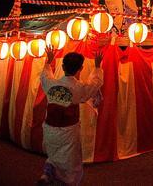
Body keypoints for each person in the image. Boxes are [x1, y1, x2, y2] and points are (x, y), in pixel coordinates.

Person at [38, 48, 104, 185]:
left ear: (62, 66)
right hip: (68, 131)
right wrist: (97, 67)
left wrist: (48, 61)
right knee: (70, 161)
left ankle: (49, 175)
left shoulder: (51, 84)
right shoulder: (79, 88)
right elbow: (95, 84)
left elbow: (44, 75)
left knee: (53, 153)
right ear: (81, 68)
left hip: (49, 128)